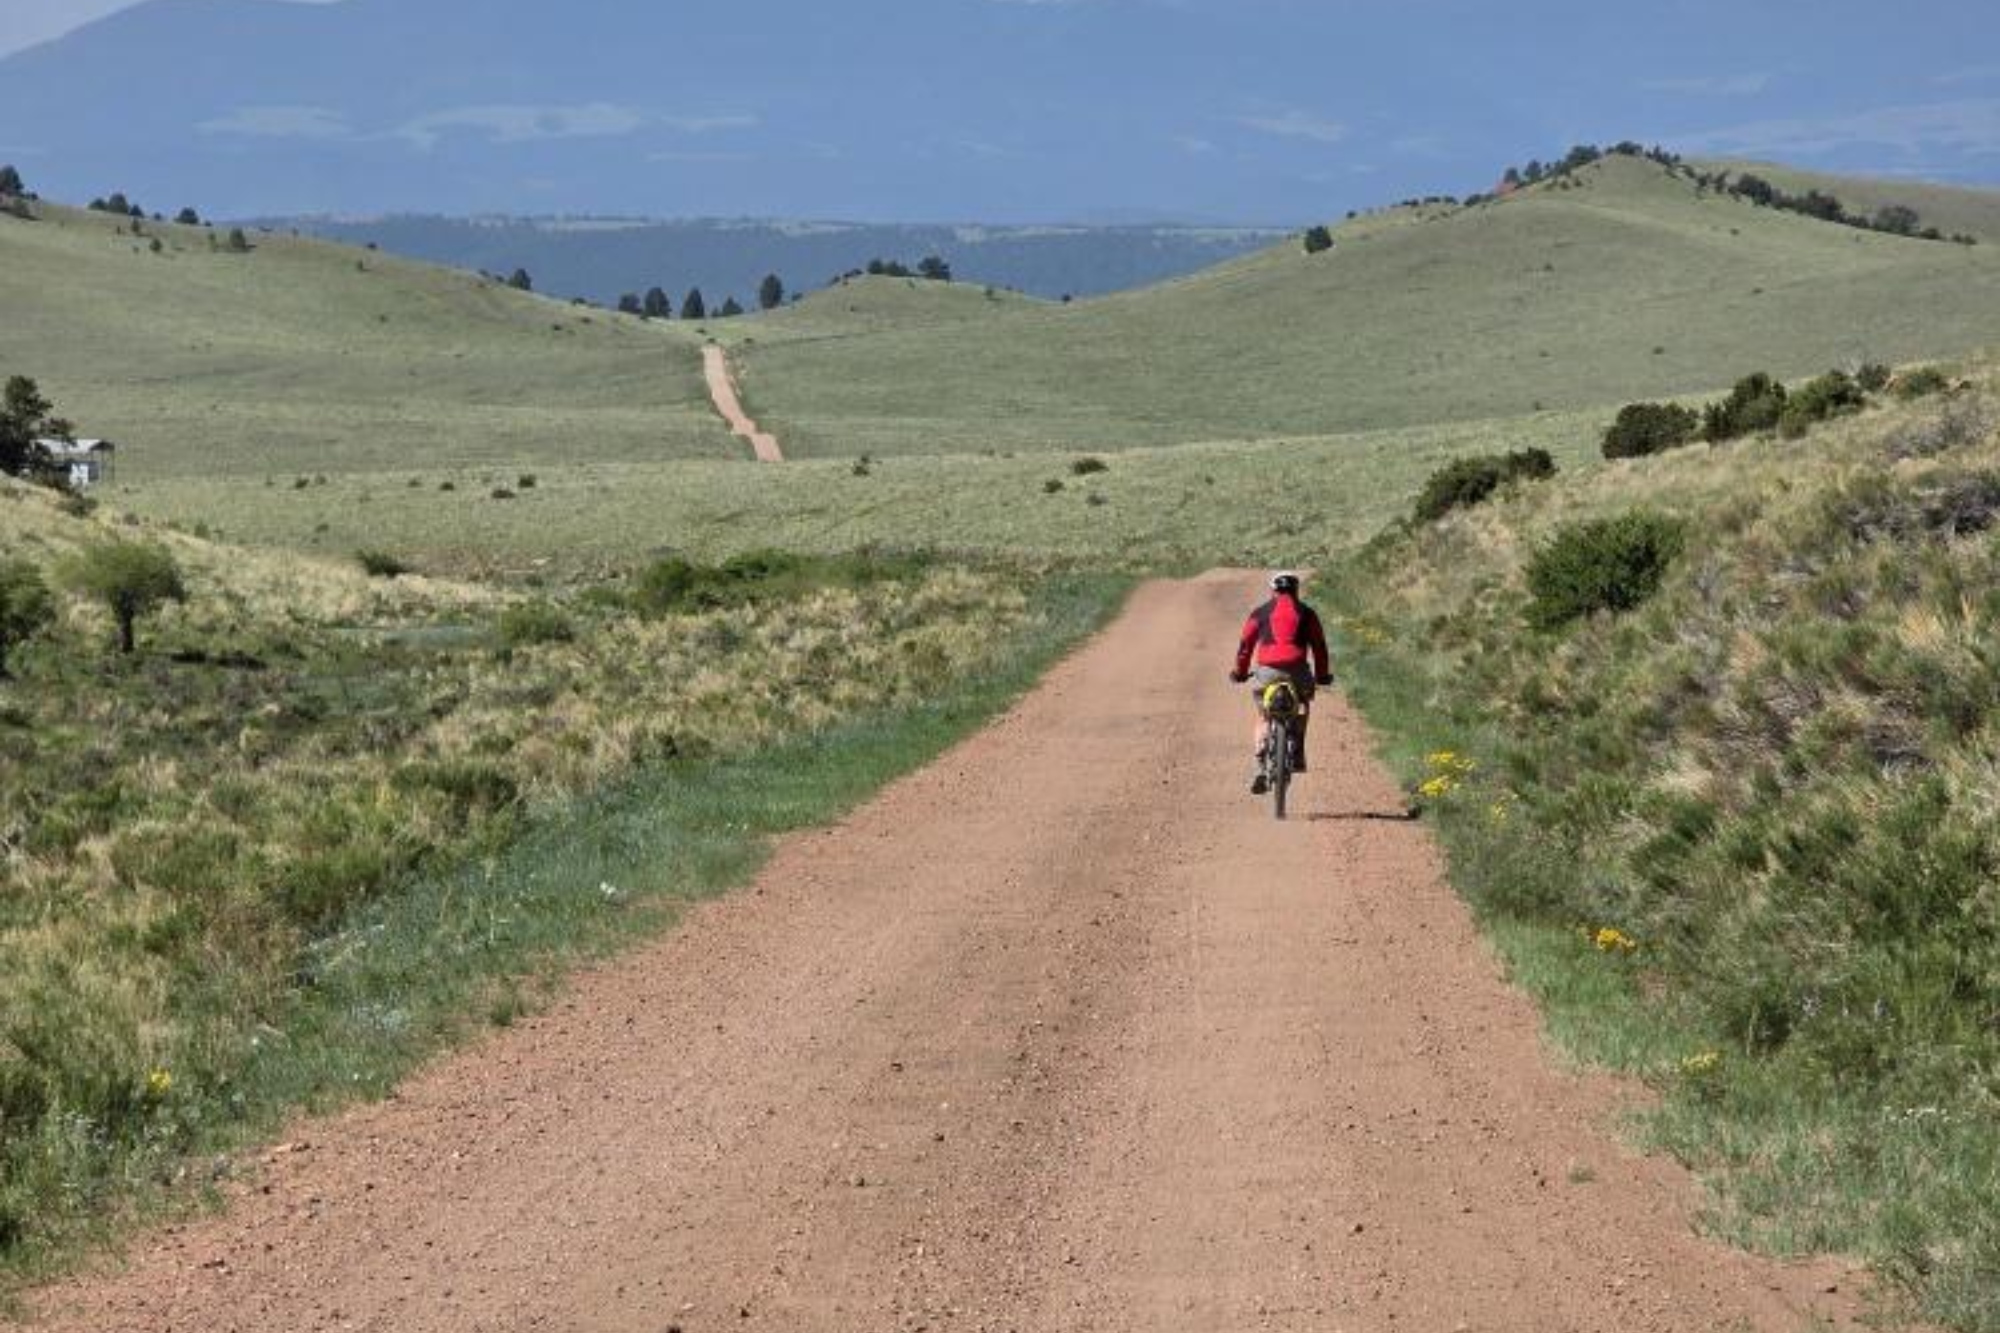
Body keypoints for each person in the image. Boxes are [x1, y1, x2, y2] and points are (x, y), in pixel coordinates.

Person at [1229, 571, 1333, 794]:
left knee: (1263, 715)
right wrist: (1322, 675)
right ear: (1296, 590)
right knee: (1303, 705)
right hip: (1297, 671)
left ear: (1273, 590)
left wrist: (1240, 672)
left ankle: (1259, 762)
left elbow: (1245, 646)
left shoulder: (1260, 612)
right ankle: (1297, 752)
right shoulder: (1307, 613)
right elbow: (1319, 647)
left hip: (1266, 672)